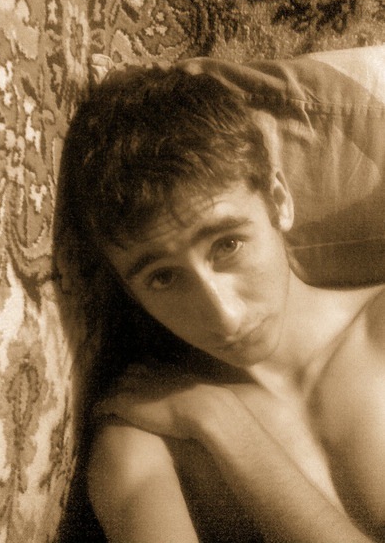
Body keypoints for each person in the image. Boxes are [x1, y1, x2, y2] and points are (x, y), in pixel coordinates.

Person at [65, 64, 385, 542]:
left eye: (227, 245)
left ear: (279, 200)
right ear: (128, 291)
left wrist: (224, 424)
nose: (224, 315)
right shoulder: (142, 439)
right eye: (163, 277)